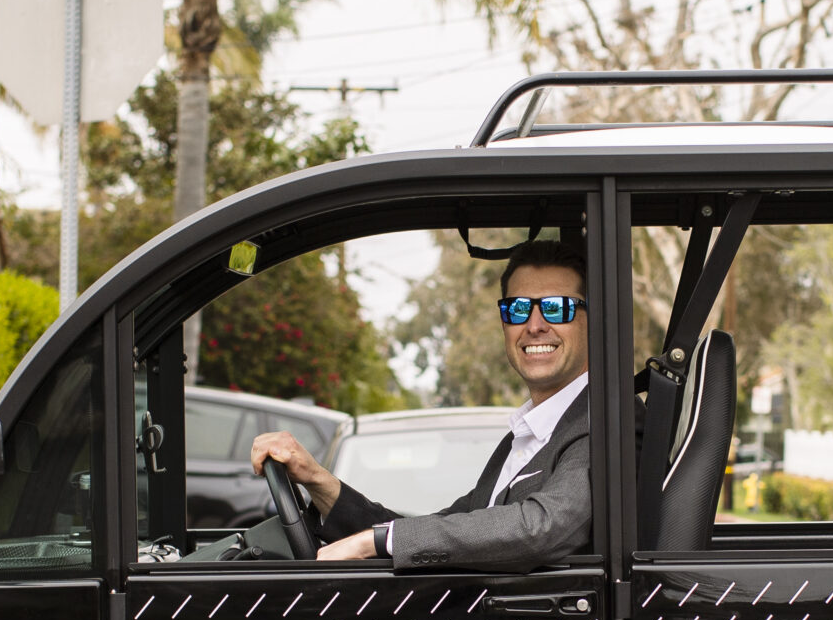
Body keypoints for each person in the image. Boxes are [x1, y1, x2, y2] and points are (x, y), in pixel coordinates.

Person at [248, 237, 591, 571]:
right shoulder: (523, 438)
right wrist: (316, 479)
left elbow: (543, 527)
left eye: (556, 308)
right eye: (518, 309)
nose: (534, 325)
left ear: (593, 319)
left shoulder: (601, 423)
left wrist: (375, 542)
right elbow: (428, 537)